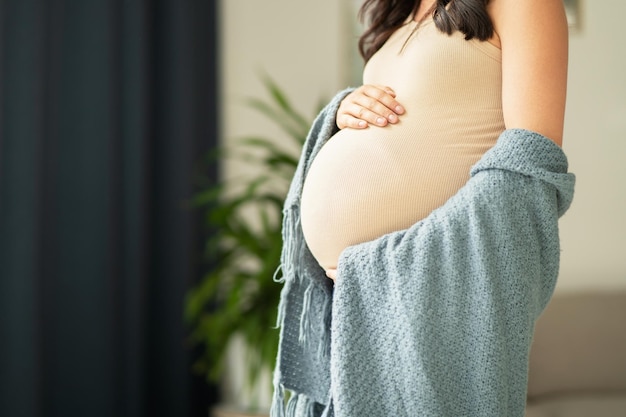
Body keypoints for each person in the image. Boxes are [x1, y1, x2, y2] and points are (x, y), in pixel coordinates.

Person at [271, 0, 575, 416]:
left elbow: (528, 164)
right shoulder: (399, 11)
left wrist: (394, 260)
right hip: (356, 295)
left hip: (436, 283)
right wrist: (345, 111)